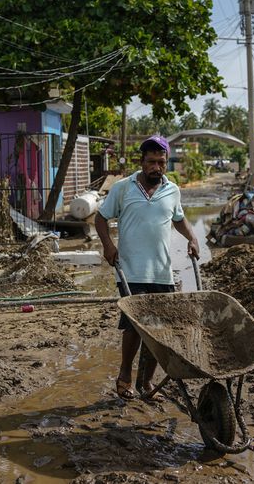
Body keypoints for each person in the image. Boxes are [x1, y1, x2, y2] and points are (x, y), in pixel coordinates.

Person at [95, 135, 200, 400]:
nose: (156, 167)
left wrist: (193, 238)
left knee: (158, 330)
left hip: (163, 271)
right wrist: (108, 246)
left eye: (161, 162)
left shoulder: (172, 190)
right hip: (130, 269)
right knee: (134, 327)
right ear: (141, 162)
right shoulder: (123, 187)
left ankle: (146, 383)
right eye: (151, 162)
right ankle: (124, 377)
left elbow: (179, 219)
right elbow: (101, 217)